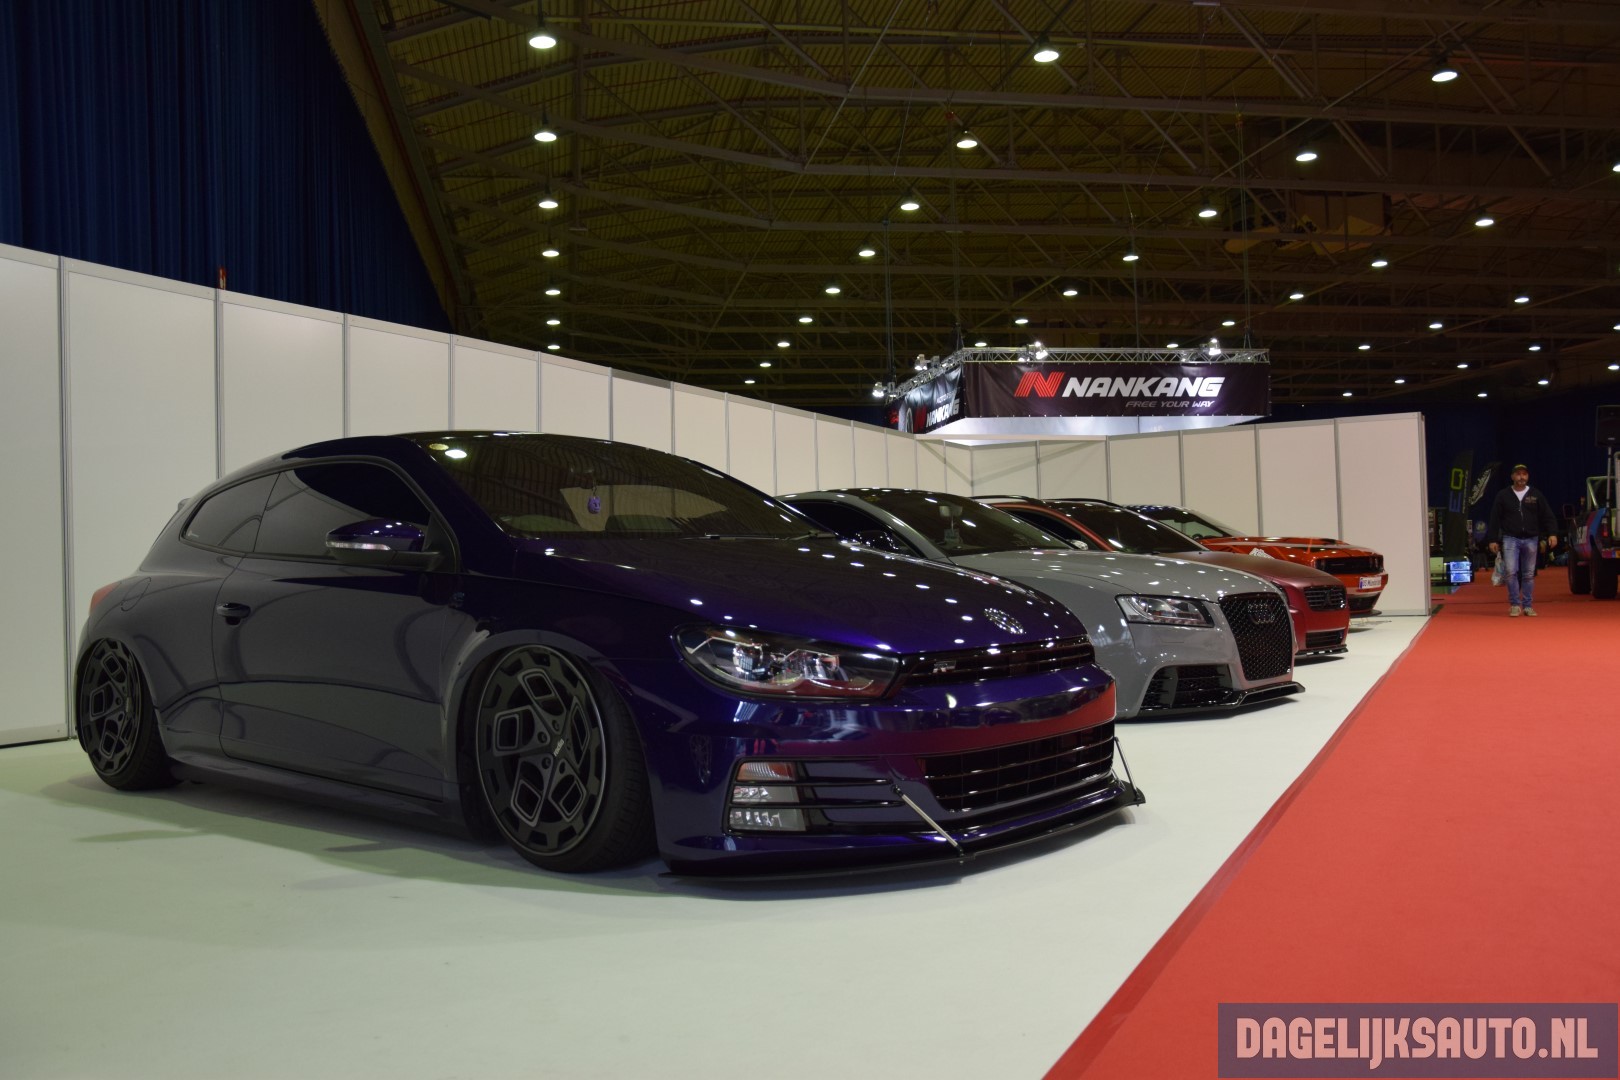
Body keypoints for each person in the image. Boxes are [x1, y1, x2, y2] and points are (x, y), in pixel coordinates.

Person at [1486, 464, 1559, 616]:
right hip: (1510, 538)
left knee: (1528, 574)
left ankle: (1527, 605)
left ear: (1528, 476)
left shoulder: (1536, 494)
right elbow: (1494, 518)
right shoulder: (1503, 495)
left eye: (1524, 474)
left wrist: (1552, 533)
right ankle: (1514, 604)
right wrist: (1493, 539)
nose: (1521, 477)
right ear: (1512, 476)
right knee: (1511, 572)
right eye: (1518, 474)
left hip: (1531, 538)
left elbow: (1547, 515)